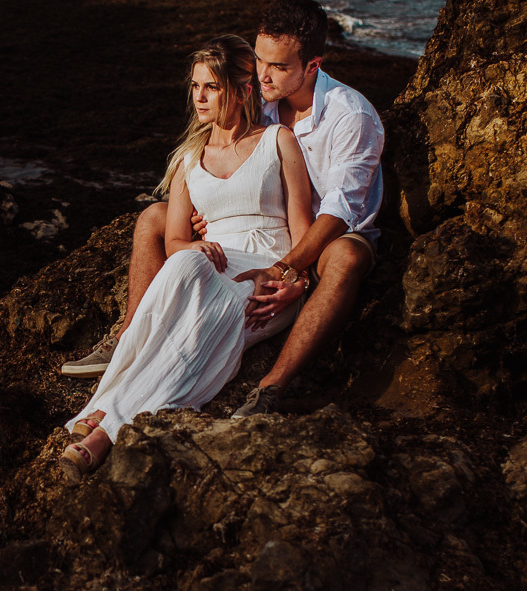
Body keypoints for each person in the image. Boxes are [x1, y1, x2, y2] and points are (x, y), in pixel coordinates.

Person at [60, 0, 384, 420]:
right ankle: (129, 335)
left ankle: (272, 386)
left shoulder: (350, 115)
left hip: (327, 234)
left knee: (347, 255)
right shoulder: (262, 97)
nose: (262, 75)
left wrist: (289, 270)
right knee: (156, 217)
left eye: (278, 66)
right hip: (273, 224)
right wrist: (206, 212)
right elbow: (230, 154)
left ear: (312, 66)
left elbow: (339, 211)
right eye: (259, 60)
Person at [59, 34, 313, 482]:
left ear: (241, 90)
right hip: (211, 263)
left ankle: (104, 426)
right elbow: (175, 240)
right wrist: (192, 246)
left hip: (265, 274)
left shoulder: (278, 141)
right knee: (183, 265)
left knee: (202, 326)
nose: (199, 96)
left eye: (211, 87)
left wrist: (293, 277)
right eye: (195, 86)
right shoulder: (189, 158)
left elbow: (303, 231)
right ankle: (110, 399)